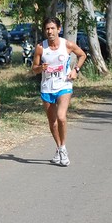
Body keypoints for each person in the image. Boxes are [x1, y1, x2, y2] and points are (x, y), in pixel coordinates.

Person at [32, 17, 86, 167]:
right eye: (47, 29)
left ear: (59, 29)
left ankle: (63, 149)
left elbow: (82, 55)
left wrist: (76, 70)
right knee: (53, 122)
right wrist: (40, 68)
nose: (50, 31)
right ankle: (59, 147)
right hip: (47, 87)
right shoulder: (41, 48)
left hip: (64, 85)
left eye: (52, 28)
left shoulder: (67, 45)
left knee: (61, 117)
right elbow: (34, 69)